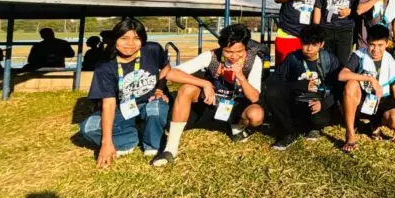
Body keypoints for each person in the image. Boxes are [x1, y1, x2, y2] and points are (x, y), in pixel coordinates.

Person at [151, 23, 265, 166]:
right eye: (228, 52)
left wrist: (241, 77)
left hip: (236, 106)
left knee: (256, 115)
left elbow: (254, 97)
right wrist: (205, 83)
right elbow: (172, 73)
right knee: (186, 89)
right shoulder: (211, 56)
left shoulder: (254, 61)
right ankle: (170, 148)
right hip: (211, 102)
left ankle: (238, 126)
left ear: (246, 47)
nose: (234, 57)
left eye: (239, 51)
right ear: (221, 47)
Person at [79, 17, 176, 167]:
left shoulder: (152, 50)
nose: (130, 44)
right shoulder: (105, 66)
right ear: (115, 39)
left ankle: (151, 144)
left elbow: (166, 66)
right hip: (123, 108)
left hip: (150, 102)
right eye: (124, 38)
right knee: (89, 127)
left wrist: (159, 89)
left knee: (156, 108)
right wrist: (106, 142)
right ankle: (130, 138)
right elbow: (109, 104)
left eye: (136, 38)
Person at [263, 24, 342, 150]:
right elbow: (273, 82)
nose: (309, 48)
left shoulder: (330, 60)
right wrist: (301, 85)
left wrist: (324, 103)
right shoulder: (293, 58)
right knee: (272, 92)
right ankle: (289, 133)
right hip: (297, 100)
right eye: (305, 44)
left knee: (318, 119)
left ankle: (314, 127)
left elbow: (339, 87)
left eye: (314, 44)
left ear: (321, 44)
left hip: (318, 102)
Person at [338, 24, 395, 152]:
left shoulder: (391, 59)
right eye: (372, 45)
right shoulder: (359, 55)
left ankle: (375, 123)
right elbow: (342, 75)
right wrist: (370, 79)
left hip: (381, 100)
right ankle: (350, 133)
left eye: (380, 45)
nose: (375, 49)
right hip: (362, 99)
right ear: (367, 42)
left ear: (387, 44)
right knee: (351, 84)